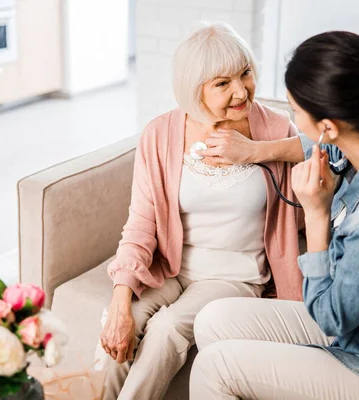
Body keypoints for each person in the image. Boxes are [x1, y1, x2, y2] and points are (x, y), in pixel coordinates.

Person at [190, 31, 359, 400]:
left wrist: (316, 214)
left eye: (295, 111)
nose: (292, 118)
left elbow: (330, 316)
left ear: (329, 125)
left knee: (214, 367)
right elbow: (311, 143)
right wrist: (254, 151)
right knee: (213, 320)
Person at [97, 22, 305, 400]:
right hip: (171, 267)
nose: (241, 90)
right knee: (119, 331)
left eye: (245, 73)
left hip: (236, 275)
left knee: (167, 329)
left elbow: (331, 151)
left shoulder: (276, 129)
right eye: (222, 83)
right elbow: (141, 223)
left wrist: (256, 152)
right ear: (195, 90)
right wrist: (119, 300)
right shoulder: (160, 134)